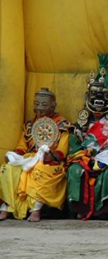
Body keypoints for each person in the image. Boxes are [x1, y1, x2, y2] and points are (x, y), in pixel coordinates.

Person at [66, 59, 108, 220]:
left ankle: (107, 209)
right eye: (94, 95)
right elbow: (74, 148)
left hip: (107, 160)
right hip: (85, 159)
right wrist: (86, 155)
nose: (99, 100)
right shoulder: (81, 125)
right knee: (75, 170)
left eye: (104, 96)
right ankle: (79, 209)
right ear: (87, 96)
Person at [0, 88, 70, 222]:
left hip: (50, 161)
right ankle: (8, 206)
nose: (39, 108)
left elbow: (63, 150)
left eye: (44, 105)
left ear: (53, 105)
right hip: (30, 157)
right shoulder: (29, 125)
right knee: (7, 168)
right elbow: (22, 146)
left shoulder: (62, 125)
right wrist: (14, 155)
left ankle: (36, 209)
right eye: (37, 104)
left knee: (38, 170)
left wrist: (52, 156)